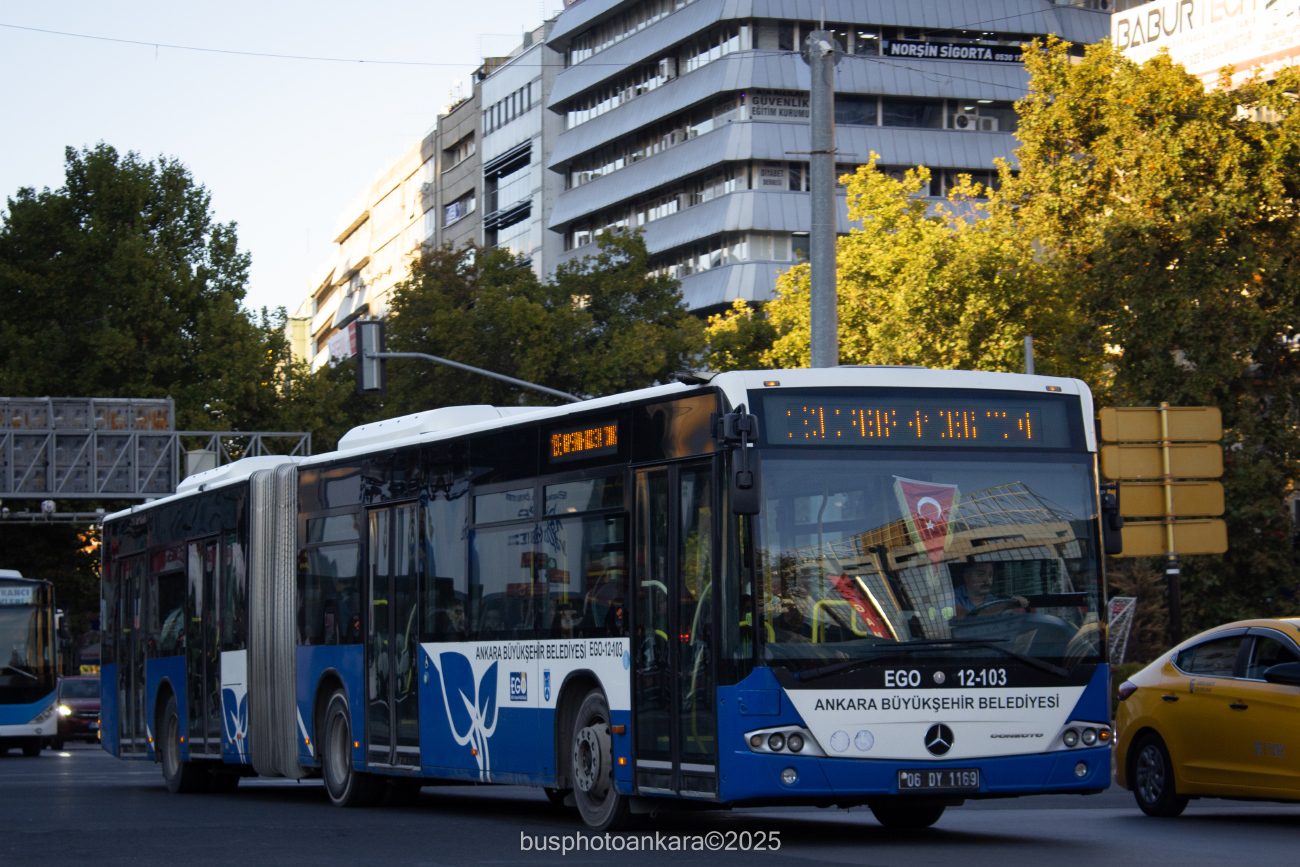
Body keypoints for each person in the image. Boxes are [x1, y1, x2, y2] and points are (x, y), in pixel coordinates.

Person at [951, 562, 1028, 619]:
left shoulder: (994, 600)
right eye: (981, 575)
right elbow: (964, 617)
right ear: (967, 577)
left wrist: (1014, 605)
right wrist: (1004, 606)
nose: (987, 581)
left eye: (990, 575)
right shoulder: (952, 597)